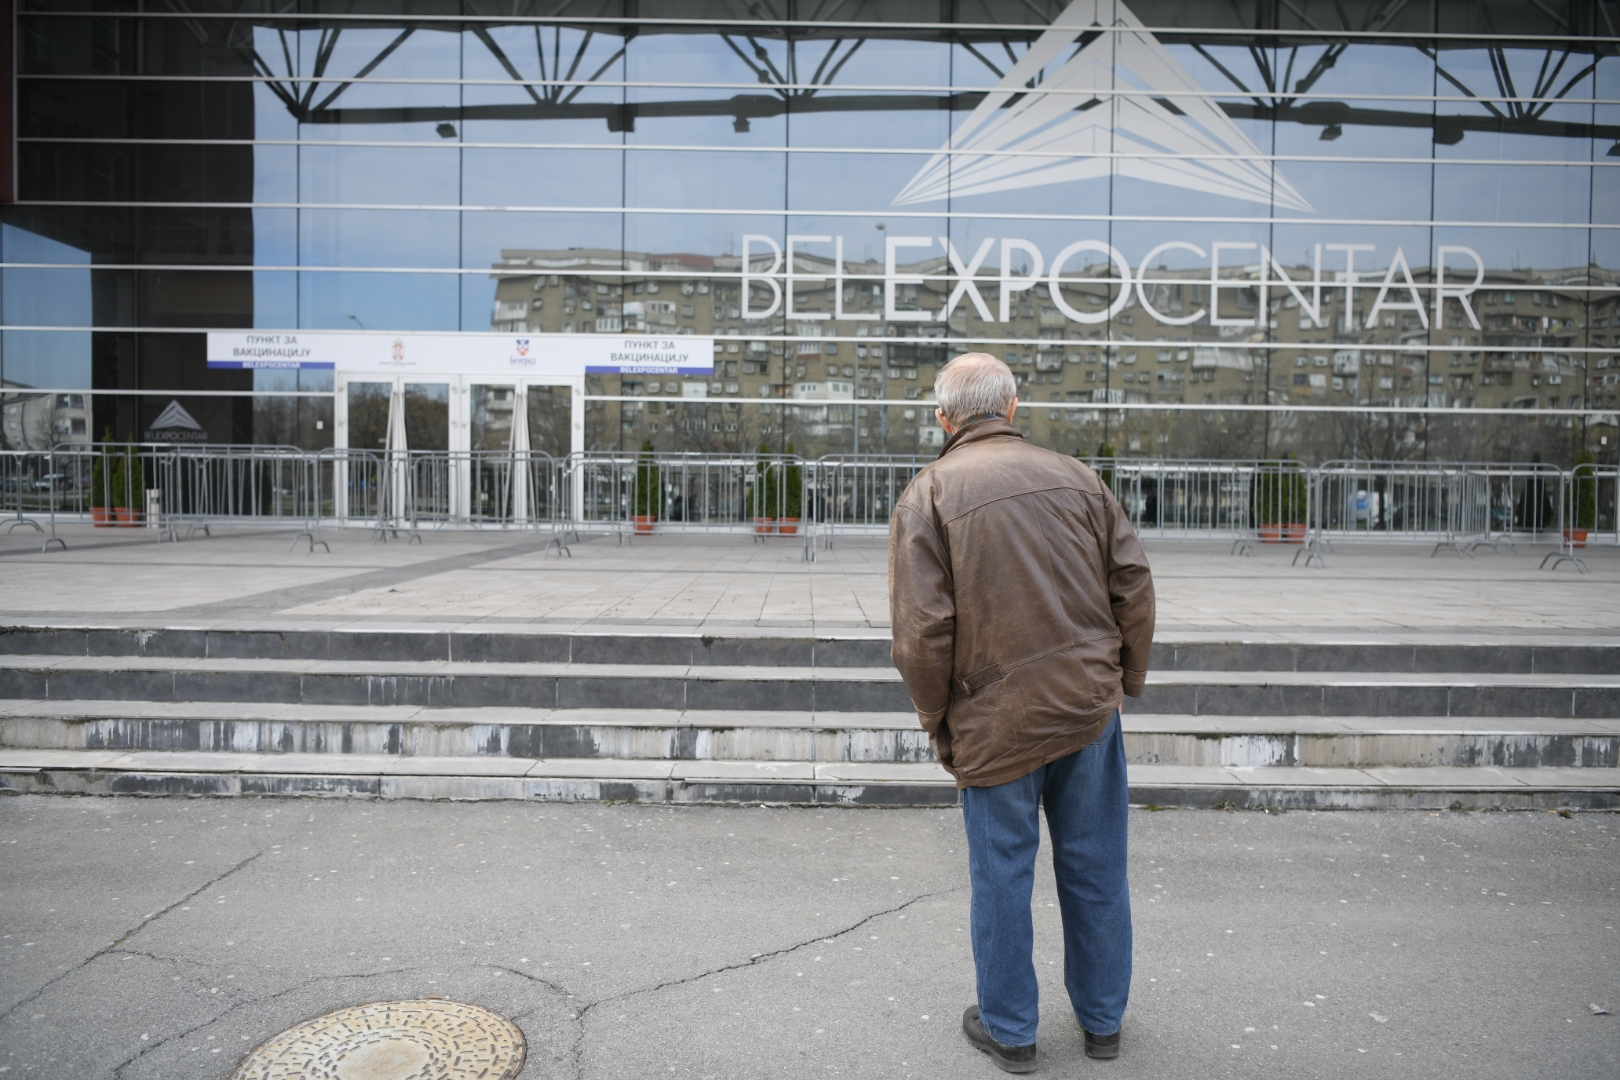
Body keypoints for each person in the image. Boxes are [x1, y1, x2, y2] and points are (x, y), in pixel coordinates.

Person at [887, 352, 1155, 1073]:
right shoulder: (1078, 476)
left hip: (995, 717)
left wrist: (938, 721)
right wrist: (1124, 678)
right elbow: (1132, 582)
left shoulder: (929, 494)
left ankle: (1011, 1031)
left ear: (944, 419)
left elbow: (922, 634)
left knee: (1002, 874)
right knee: (1098, 865)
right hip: (1086, 709)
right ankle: (1103, 1024)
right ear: (1011, 409)